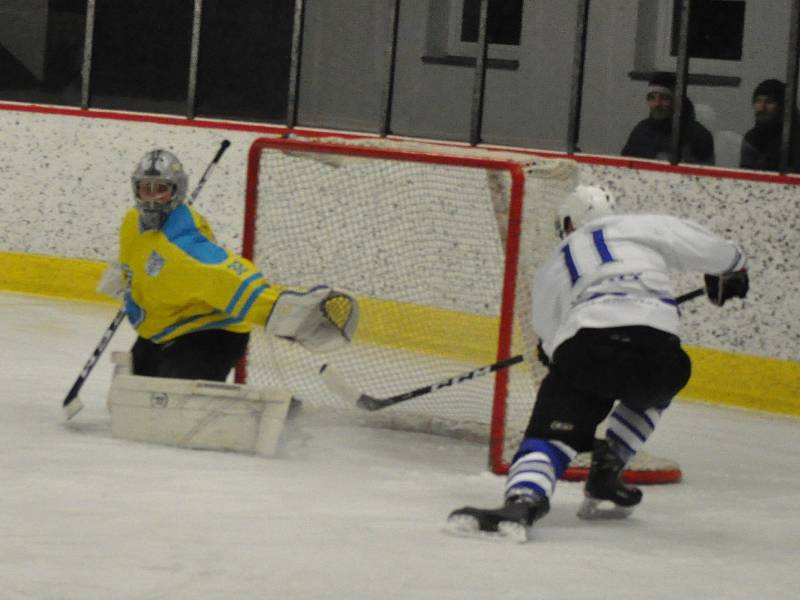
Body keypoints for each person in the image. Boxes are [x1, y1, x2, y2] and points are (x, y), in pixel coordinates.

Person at [447, 185, 748, 541]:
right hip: (660, 355)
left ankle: (524, 501)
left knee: (550, 436)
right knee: (657, 387)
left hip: (589, 349)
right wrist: (733, 270)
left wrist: (553, 353)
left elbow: (546, 333)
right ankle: (610, 467)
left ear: (570, 222)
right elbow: (717, 252)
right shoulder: (643, 227)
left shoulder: (558, 259)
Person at [97, 149, 358, 382]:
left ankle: (286, 411)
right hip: (161, 329)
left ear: (177, 191)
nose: (152, 199)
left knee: (171, 410)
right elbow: (136, 252)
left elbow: (229, 275)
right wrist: (126, 273)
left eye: (161, 189)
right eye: (146, 188)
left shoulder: (184, 247)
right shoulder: (132, 220)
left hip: (210, 334)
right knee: (130, 398)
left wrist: (283, 311)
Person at [621, 71, 715, 165]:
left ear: (677, 101)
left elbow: (704, 174)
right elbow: (625, 166)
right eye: (652, 98)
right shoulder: (641, 131)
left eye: (665, 98)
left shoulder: (698, 136)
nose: (657, 104)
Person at [739, 78, 800, 173]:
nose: (762, 107)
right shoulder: (752, 139)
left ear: (782, 107)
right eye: (758, 101)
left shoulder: (795, 138)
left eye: (769, 102)